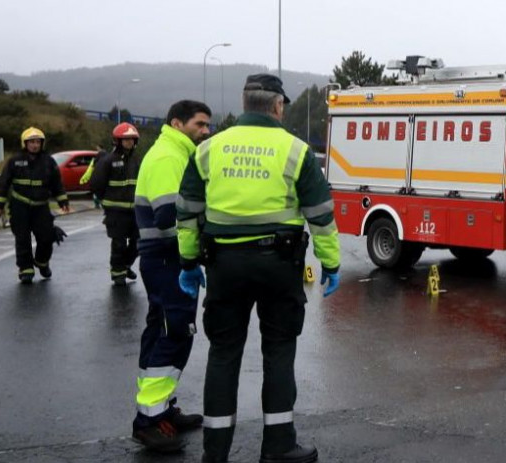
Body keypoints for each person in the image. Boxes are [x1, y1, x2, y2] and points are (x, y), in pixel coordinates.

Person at [177, 74, 341, 463]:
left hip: (223, 265)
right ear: (278, 106)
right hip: (278, 265)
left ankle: (215, 453)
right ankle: (279, 446)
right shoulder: (295, 150)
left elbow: (186, 212)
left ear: (245, 102)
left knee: (223, 353)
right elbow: (320, 215)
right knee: (280, 352)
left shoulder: (208, 149)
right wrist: (331, 263)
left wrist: (188, 263)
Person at [131, 100, 212, 452]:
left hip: (166, 259)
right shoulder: (168, 156)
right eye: (200, 124)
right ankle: (148, 421)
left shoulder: (176, 152)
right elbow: (167, 213)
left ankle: (162, 408)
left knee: (164, 329)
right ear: (177, 123)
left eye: (207, 125)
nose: (205, 131)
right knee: (174, 331)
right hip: (166, 259)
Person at [0, 127, 69, 283]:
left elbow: (57, 183)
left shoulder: (48, 161)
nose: (35, 145)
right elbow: (3, 183)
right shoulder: (14, 161)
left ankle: (42, 262)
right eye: (32, 142)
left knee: (47, 237)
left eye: (37, 142)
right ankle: (25, 268)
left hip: (41, 206)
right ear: (25, 143)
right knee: (22, 239)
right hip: (19, 206)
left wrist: (63, 201)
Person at [90, 123, 141, 285]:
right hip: (115, 211)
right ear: (117, 141)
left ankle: (126, 265)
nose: (129, 142)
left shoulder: (136, 161)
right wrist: (105, 202)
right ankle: (118, 273)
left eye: (132, 139)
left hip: (135, 211)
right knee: (118, 243)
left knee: (138, 243)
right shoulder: (108, 161)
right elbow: (97, 184)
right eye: (125, 140)